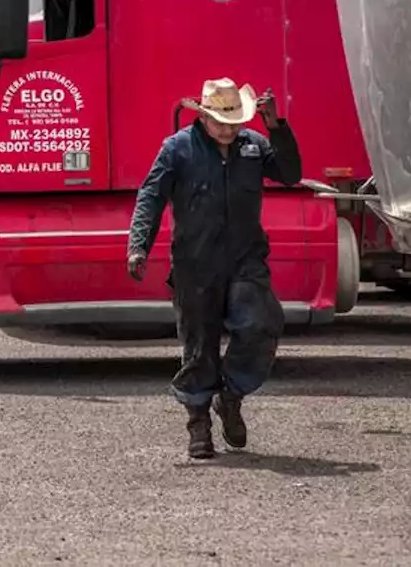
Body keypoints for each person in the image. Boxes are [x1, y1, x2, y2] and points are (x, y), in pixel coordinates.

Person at [126, 78, 302, 459]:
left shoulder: (254, 145)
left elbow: (291, 174)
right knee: (199, 347)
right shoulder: (177, 149)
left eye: (235, 121)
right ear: (203, 117)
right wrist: (138, 245)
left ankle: (231, 395)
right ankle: (198, 424)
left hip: (245, 260)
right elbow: (151, 196)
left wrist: (277, 129)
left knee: (260, 324)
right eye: (221, 121)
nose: (229, 129)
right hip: (196, 264)